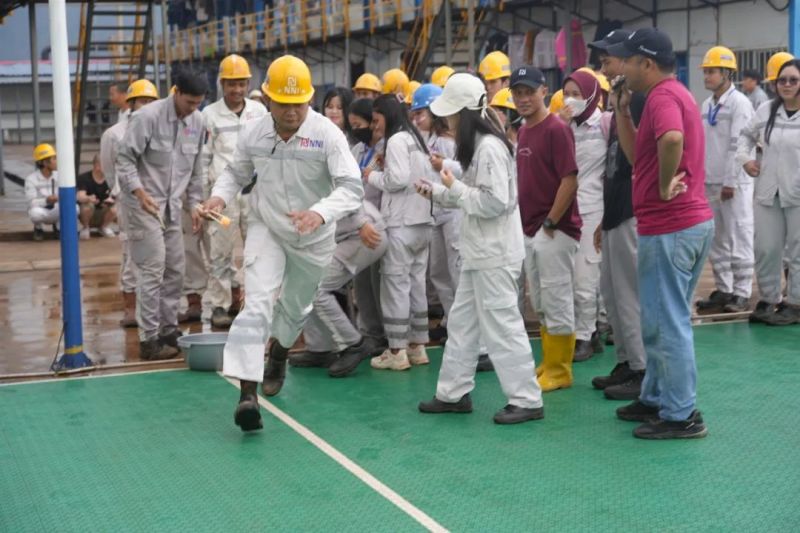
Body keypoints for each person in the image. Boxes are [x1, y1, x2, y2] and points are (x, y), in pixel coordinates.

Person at [200, 55, 363, 432]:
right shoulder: (254, 132)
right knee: (256, 305)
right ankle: (247, 394)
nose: (292, 112)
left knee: (295, 308)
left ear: (309, 100)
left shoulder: (327, 135)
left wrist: (320, 213)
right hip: (268, 227)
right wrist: (219, 197)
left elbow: (351, 187)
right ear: (269, 100)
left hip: (313, 235)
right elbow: (236, 172)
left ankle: (280, 352)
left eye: (299, 104)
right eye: (284, 104)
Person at [416, 73, 544, 424]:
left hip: (494, 254)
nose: (446, 121)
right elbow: (472, 196)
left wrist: (453, 188)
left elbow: (494, 203)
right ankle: (452, 393)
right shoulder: (480, 146)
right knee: (462, 325)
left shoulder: (488, 149)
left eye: (450, 114)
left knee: (503, 327)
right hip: (481, 253)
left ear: (463, 113)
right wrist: (437, 191)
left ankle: (527, 399)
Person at [608, 28, 713, 439]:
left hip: (672, 226)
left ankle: (681, 413)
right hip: (682, 225)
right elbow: (639, 158)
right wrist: (622, 112)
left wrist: (666, 184)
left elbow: (671, 139)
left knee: (666, 322)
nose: (621, 68)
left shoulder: (663, 97)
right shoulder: (669, 95)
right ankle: (655, 396)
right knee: (659, 317)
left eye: (627, 60)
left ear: (646, 64)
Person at [116, 70, 208, 361]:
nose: (193, 108)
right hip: (142, 204)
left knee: (175, 269)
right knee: (153, 268)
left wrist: (195, 204)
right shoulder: (148, 117)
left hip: (172, 207)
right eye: (189, 102)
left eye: (198, 103)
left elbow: (196, 170)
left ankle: (169, 329)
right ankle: (149, 338)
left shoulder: (198, 122)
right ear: (176, 92)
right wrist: (138, 191)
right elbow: (124, 159)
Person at [587, 29, 648, 401]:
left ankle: (641, 369)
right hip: (614, 210)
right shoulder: (618, 100)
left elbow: (638, 158)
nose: (603, 68)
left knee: (629, 295)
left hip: (630, 211)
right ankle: (626, 361)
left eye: (607, 60)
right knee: (612, 293)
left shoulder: (637, 101)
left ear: (626, 60)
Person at [511, 66, 581, 393]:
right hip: (531, 230)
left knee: (557, 297)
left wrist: (551, 222)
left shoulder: (556, 129)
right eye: (518, 93)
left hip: (554, 229)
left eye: (529, 91)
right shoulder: (525, 131)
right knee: (540, 300)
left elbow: (570, 179)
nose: (523, 98)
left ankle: (560, 369)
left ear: (543, 91)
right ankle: (550, 360)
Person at [365, 95, 433, 371]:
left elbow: (398, 180)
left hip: (401, 223)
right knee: (416, 284)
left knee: (394, 285)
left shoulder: (395, 141)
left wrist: (370, 175)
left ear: (387, 115)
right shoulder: (416, 139)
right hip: (423, 222)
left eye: (376, 119)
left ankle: (396, 350)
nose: (374, 125)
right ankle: (417, 346)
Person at [202, 54, 268, 329]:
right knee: (220, 251)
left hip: (253, 193)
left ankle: (252, 303)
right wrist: (206, 197)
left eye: (241, 84)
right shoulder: (209, 115)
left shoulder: (260, 112)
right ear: (222, 84)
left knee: (256, 251)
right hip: (222, 196)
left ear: (248, 84)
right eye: (231, 84)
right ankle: (220, 304)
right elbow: (204, 158)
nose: (237, 89)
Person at [290, 200, 387, 376]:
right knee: (304, 283)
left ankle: (354, 345)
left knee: (316, 288)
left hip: (363, 233)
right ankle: (320, 349)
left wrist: (361, 223)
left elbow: (349, 192)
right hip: (343, 235)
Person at [738, 58, 800, 326]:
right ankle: (768, 299)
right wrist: (745, 159)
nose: (786, 85)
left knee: (797, 253)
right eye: (782, 80)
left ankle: (796, 304)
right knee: (766, 248)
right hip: (768, 192)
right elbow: (745, 136)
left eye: (793, 80)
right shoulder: (765, 111)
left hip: (797, 194)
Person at [695, 46, 755, 314]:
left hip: (734, 184)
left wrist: (731, 180)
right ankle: (724, 289)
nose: (706, 76)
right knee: (716, 238)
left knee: (739, 235)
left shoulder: (740, 104)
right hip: (710, 181)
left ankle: (742, 292)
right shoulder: (707, 105)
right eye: (706, 71)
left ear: (727, 73)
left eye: (712, 71)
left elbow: (739, 145)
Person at [100, 79, 159, 328]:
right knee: (131, 254)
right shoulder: (114, 134)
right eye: (142, 101)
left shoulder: (161, 131)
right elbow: (109, 170)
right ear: (131, 103)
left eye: (151, 102)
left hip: (156, 201)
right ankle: (130, 308)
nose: (147, 106)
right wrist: (122, 194)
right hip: (129, 202)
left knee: (157, 258)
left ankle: (154, 309)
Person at [560, 69, 608, 362]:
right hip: (565, 209)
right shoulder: (563, 126)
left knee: (585, 276)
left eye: (576, 94)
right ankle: (589, 331)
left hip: (593, 209)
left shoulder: (605, 124)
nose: (570, 99)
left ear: (591, 95)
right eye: (566, 93)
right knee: (568, 277)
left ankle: (586, 336)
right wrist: (560, 126)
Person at [410, 84, 460, 336]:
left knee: (456, 270)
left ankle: (463, 324)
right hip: (436, 214)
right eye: (415, 114)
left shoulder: (446, 142)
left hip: (453, 214)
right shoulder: (427, 140)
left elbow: (460, 172)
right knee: (439, 272)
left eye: (421, 113)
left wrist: (444, 165)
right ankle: (452, 320)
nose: (417, 119)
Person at [349, 98, 389, 357]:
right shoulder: (357, 150)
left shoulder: (385, 150)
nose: (358, 130)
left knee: (379, 282)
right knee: (361, 280)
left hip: (381, 223)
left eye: (360, 125)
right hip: (358, 222)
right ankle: (369, 331)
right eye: (352, 126)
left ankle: (384, 333)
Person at [25, 144, 69, 241]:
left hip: (56, 209)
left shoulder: (60, 175)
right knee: (34, 213)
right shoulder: (31, 179)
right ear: (45, 162)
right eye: (54, 159)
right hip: (42, 210)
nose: (56, 161)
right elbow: (31, 202)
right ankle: (38, 228)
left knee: (74, 208)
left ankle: (59, 228)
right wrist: (46, 200)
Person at [77, 155, 117, 239]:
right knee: (87, 206)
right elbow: (80, 196)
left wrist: (111, 200)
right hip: (88, 213)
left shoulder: (111, 179)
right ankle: (86, 227)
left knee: (116, 207)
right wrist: (88, 198)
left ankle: (104, 227)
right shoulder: (84, 178)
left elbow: (117, 194)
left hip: (103, 212)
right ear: (97, 166)